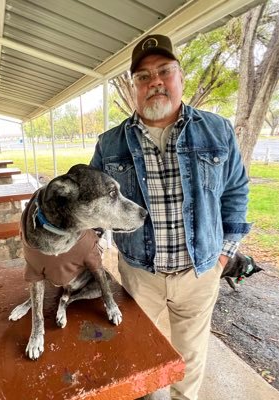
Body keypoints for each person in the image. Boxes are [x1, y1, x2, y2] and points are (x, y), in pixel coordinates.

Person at [90, 34, 251, 400]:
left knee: (190, 357)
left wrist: (223, 255)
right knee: (136, 353)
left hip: (199, 272)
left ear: (180, 77)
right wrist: (84, 247)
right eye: (143, 77)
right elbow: (95, 205)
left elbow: (236, 192)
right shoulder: (109, 143)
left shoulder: (217, 130)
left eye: (164, 71)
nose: (155, 82)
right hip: (139, 274)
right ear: (134, 88)